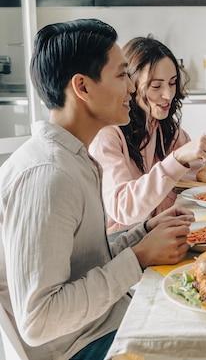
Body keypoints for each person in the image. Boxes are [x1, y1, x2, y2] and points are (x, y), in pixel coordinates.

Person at [0, 19, 193, 360]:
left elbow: (83, 263)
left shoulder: (74, 158)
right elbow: (39, 320)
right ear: (83, 87)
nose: (133, 89)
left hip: (106, 320)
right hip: (79, 346)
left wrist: (142, 234)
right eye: (121, 75)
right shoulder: (47, 176)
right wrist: (139, 256)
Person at [90, 36, 206, 234]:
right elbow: (123, 209)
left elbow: (199, 181)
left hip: (156, 233)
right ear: (131, 85)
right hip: (117, 245)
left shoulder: (167, 129)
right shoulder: (107, 136)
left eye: (172, 83)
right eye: (156, 86)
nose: (168, 95)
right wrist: (177, 158)